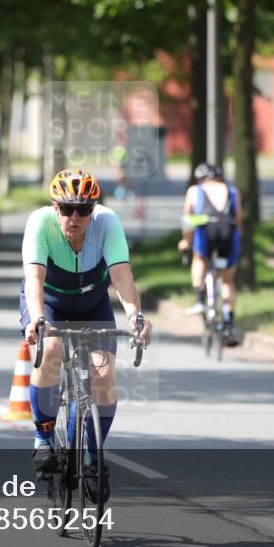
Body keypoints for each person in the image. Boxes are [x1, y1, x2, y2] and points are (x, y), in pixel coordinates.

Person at [20, 168, 153, 502]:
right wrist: (37, 319)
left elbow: (121, 275)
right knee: (51, 349)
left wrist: (135, 316)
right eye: (67, 209)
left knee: (104, 375)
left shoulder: (107, 223)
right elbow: (34, 279)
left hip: (93, 304)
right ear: (55, 208)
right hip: (48, 304)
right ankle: (43, 437)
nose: (75, 217)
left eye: (83, 209)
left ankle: (92, 458)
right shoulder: (40, 223)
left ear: (94, 208)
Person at [178, 162, 242, 341]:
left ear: (201, 178)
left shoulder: (194, 190)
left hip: (206, 231)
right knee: (227, 281)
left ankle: (200, 300)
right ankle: (229, 323)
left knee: (199, 259)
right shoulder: (232, 191)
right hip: (228, 232)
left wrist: (186, 241)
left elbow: (188, 220)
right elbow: (238, 220)